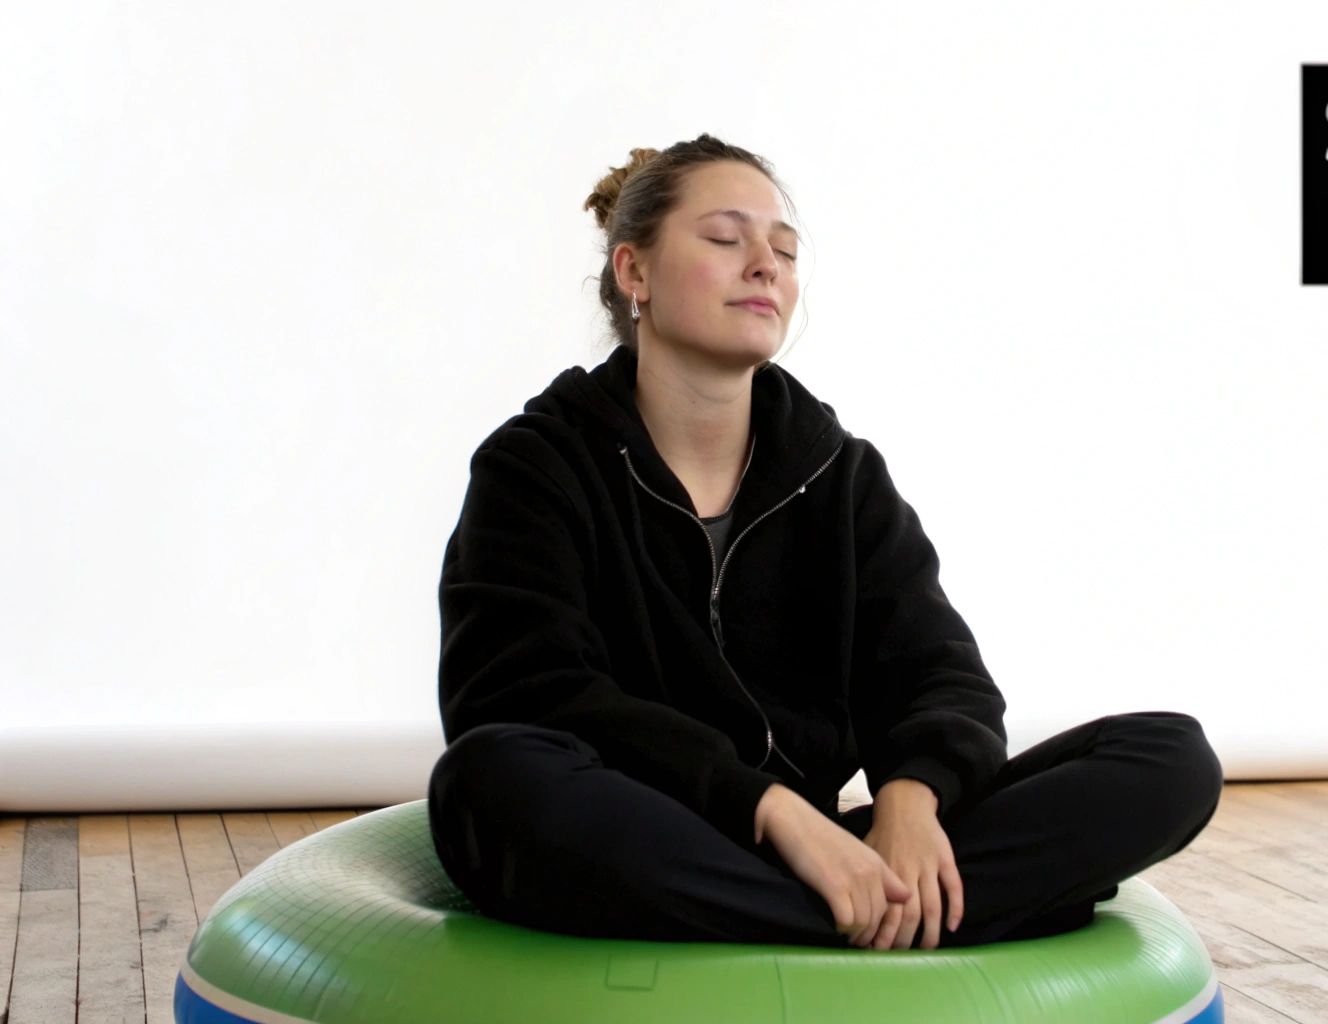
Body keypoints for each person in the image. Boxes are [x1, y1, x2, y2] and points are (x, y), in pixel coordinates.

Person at [426, 133, 1223, 952]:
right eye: (726, 240)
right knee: (491, 782)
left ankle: (831, 906)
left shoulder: (839, 476)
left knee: (1169, 757)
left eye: (785, 250)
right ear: (635, 273)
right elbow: (522, 694)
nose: (766, 266)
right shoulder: (538, 465)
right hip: (657, 827)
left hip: (778, 860)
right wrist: (774, 816)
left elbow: (939, 673)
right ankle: (904, 915)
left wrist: (909, 808)